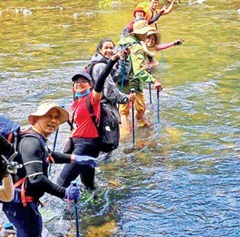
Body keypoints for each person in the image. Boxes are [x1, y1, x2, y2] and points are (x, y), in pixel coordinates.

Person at [1, 101, 96, 237]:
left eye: (56, 118)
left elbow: (47, 155)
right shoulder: (32, 142)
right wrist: (64, 192)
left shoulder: (35, 138)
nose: (53, 121)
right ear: (36, 118)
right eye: (48, 116)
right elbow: (36, 178)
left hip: (17, 202)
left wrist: (73, 158)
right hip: (22, 205)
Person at [55, 51, 121, 189]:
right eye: (77, 82)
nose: (79, 84)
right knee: (88, 185)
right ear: (73, 87)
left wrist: (111, 62)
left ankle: (65, 210)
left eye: (83, 81)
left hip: (86, 145)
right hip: (78, 144)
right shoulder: (74, 103)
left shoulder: (92, 99)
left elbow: (101, 80)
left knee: (61, 184)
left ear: (90, 85)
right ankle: (95, 205)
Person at [86, 38, 135, 151]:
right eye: (106, 48)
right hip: (103, 109)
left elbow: (119, 76)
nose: (109, 50)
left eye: (111, 48)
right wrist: (127, 98)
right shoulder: (101, 66)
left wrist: (124, 59)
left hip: (95, 108)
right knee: (108, 144)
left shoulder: (97, 64)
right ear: (99, 49)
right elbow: (110, 92)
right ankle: (106, 167)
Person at [116, 21, 163, 129]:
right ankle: (133, 127)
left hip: (120, 80)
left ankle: (125, 129)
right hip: (134, 83)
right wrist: (153, 80)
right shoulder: (137, 47)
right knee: (141, 108)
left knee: (123, 110)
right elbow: (138, 71)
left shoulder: (123, 42)